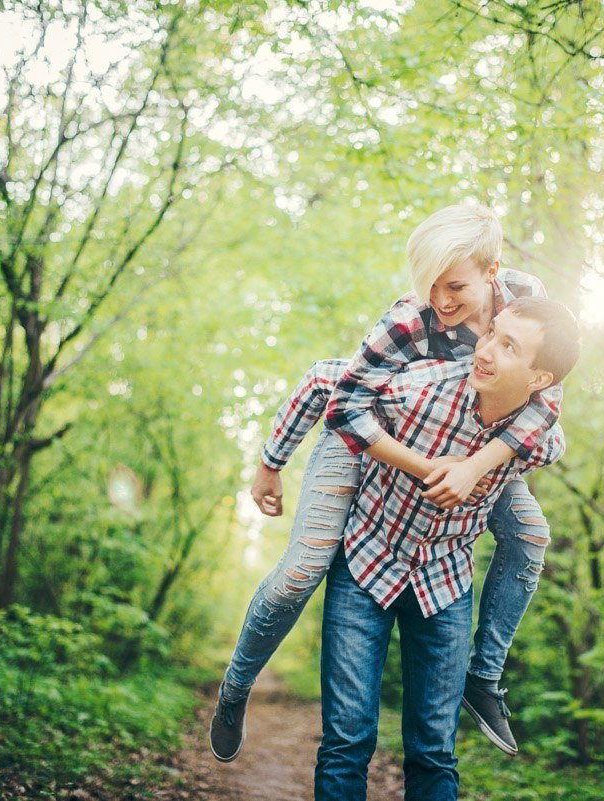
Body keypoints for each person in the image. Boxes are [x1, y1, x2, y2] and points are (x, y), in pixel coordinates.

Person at [212, 205, 562, 762]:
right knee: (301, 572)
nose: (441, 301)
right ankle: (236, 687)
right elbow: (336, 391)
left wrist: (472, 468)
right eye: (429, 285)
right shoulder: (408, 320)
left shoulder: (526, 307)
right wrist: (271, 462)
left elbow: (547, 402)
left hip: (473, 448)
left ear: (493, 271)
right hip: (366, 439)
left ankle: (485, 678)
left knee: (530, 534)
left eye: (455, 287)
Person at [315, 298, 579, 800]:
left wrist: (478, 465)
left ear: (539, 379)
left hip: (444, 584)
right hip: (366, 565)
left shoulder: (536, 438)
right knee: (346, 742)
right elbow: (339, 401)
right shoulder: (421, 389)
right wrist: (429, 466)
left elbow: (550, 433)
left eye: (508, 347)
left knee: (434, 753)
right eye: (491, 333)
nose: (484, 351)